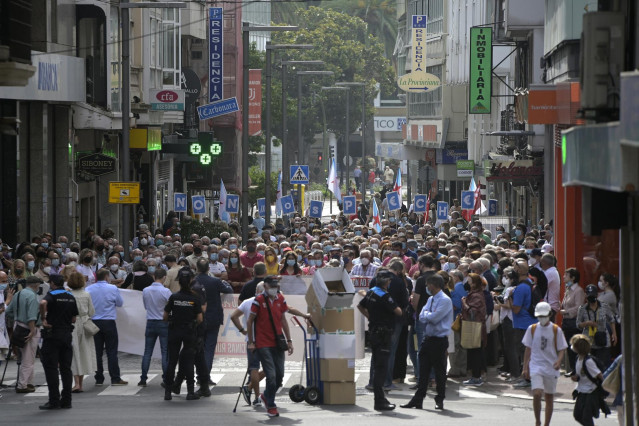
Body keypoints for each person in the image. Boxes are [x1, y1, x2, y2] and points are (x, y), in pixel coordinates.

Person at [402, 273, 453, 410]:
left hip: (439, 340)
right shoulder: (430, 299)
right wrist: (427, 315)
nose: (426, 287)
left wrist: (427, 315)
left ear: (433, 285)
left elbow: (434, 318)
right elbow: (421, 315)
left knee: (439, 372)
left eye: (427, 285)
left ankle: (440, 398)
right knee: (423, 371)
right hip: (427, 338)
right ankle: (418, 399)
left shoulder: (445, 300)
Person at [247, 277, 294, 418]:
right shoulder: (259, 300)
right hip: (263, 343)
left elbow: (283, 320)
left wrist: (289, 340)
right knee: (271, 375)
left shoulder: (281, 298)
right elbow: (250, 322)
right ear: (265, 286)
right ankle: (271, 405)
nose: (274, 288)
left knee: (279, 375)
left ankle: (266, 396)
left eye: (276, 286)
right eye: (272, 286)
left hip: (278, 342)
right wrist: (251, 342)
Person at [358, 269, 402, 411]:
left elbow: (360, 305)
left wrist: (370, 317)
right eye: (389, 281)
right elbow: (398, 311)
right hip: (383, 333)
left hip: (374, 331)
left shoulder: (371, 291)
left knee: (378, 365)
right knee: (381, 368)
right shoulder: (384, 295)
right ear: (387, 282)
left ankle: (380, 398)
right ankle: (379, 400)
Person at [521, 302, 568, 426]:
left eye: (544, 315)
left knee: (549, 397)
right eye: (539, 316)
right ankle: (537, 421)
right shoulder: (532, 329)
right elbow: (528, 348)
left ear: (549, 314)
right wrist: (525, 367)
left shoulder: (556, 329)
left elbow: (562, 348)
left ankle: (546, 424)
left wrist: (559, 360)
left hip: (551, 367)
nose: (541, 318)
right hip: (536, 365)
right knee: (536, 393)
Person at [38, 274, 78, 409]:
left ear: (53, 283)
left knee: (51, 368)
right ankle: (67, 400)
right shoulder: (70, 296)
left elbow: (43, 303)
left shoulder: (52, 294)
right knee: (66, 368)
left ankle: (54, 400)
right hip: (67, 334)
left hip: (53, 334)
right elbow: (74, 319)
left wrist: (44, 319)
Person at [163, 267, 203, 401]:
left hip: (174, 330)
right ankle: (190, 392)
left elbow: (165, 316)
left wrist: (173, 320)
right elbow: (200, 319)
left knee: (172, 361)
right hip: (189, 331)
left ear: (179, 282)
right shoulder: (195, 298)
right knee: (189, 361)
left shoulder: (174, 297)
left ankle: (168, 392)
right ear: (191, 280)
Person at [85, 268, 127, 386]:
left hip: (94, 321)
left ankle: (99, 378)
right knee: (112, 351)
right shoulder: (112, 288)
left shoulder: (89, 289)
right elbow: (120, 303)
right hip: (108, 321)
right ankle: (115, 377)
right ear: (107, 277)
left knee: (97, 352)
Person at [193, 258, 233, 379]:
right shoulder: (215, 281)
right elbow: (229, 290)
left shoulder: (193, 282)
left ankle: (200, 374)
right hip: (213, 317)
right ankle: (205, 375)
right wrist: (225, 282)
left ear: (197, 269)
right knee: (209, 349)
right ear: (208, 269)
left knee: (198, 348)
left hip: (197, 317)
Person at [5, 276, 44, 393]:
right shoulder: (32, 296)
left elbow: (8, 311)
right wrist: (32, 330)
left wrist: (17, 318)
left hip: (18, 326)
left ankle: (28, 382)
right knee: (28, 358)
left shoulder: (18, 294)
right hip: (29, 328)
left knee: (25, 356)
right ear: (36, 285)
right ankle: (23, 384)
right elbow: (31, 316)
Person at [231, 281, 267, 406]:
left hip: (254, 340)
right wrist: (243, 331)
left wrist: (242, 331)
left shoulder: (248, 302)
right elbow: (233, 316)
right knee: (258, 368)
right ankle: (256, 396)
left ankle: (251, 389)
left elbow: (233, 316)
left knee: (257, 368)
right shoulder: (262, 301)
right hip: (258, 340)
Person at [139, 268, 172, 387]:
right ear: (164, 277)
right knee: (165, 352)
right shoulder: (166, 291)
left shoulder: (146, 290)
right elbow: (170, 307)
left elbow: (145, 305)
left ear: (154, 277)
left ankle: (143, 378)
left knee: (147, 351)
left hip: (150, 321)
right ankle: (166, 378)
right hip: (163, 322)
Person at [570, 334, 610, 426]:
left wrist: (606, 387)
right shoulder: (578, 359)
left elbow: (599, 375)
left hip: (591, 392)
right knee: (577, 415)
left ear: (577, 347)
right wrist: (575, 377)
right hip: (581, 390)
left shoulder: (588, 361)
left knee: (586, 417)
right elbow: (580, 373)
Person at [67, 271, 96, 393]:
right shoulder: (86, 294)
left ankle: (76, 383)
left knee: (75, 353)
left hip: (72, 324)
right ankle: (81, 383)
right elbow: (92, 312)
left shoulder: (68, 294)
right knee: (84, 352)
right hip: (84, 323)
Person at [510, 260, 537, 388]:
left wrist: (509, 298)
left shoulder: (521, 287)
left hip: (523, 324)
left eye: (514, 269)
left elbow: (516, 308)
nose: (513, 272)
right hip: (528, 323)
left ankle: (527, 378)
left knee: (524, 353)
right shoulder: (529, 283)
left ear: (520, 271)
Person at [576, 284, 617, 369]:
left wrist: (614, 334)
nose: (592, 298)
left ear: (597, 295)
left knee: (603, 365)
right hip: (589, 341)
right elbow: (578, 324)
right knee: (591, 366)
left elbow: (611, 320)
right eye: (589, 296)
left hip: (603, 340)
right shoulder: (582, 309)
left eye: (593, 296)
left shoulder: (604, 306)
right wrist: (587, 323)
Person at [461, 273, 488, 387]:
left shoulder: (476, 296)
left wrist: (464, 303)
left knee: (475, 353)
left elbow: (473, 311)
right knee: (473, 353)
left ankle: (476, 377)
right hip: (473, 326)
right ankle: (475, 376)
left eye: (470, 281)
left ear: (475, 283)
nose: (468, 283)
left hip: (475, 327)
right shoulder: (473, 294)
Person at [560, 267, 585, 376]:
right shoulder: (568, 289)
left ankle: (578, 370)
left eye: (566, 275)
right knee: (569, 347)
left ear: (573, 278)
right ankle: (573, 369)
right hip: (566, 322)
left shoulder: (578, 290)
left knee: (575, 347)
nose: (564, 277)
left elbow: (578, 307)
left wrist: (565, 311)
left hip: (573, 322)